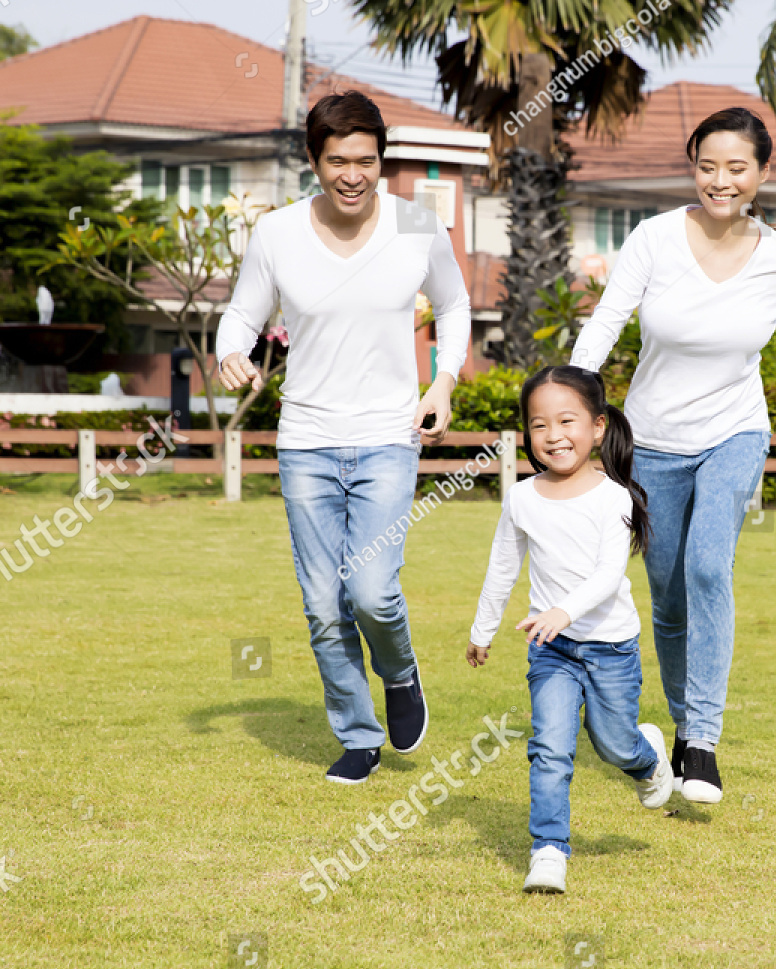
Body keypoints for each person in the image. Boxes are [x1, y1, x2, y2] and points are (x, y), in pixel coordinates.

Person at [568, 107, 776, 804]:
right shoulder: (653, 240)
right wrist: (571, 404)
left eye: (737, 167)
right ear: (693, 168)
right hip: (650, 441)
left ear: (763, 174)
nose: (721, 180)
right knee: (670, 597)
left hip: (735, 433)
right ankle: (682, 728)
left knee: (709, 566)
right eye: (708, 166)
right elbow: (605, 325)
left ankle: (703, 741)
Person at [216, 91, 471, 784]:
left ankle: (400, 670)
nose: (353, 175)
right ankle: (358, 736)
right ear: (313, 160)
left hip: (390, 435)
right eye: (338, 161)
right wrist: (229, 351)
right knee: (323, 604)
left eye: (366, 160)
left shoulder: (417, 226)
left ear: (381, 160)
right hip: (306, 440)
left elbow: (453, 305)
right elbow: (241, 314)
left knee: (371, 591)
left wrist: (443, 382)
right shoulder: (278, 233)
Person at [466, 367, 671, 894]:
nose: (553, 435)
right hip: (551, 650)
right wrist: (482, 629)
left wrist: (564, 610)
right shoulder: (522, 497)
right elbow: (502, 565)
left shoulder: (613, 497)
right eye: (539, 425)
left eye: (566, 420)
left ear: (598, 427)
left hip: (610, 649)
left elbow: (608, 575)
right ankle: (549, 850)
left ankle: (647, 757)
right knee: (550, 746)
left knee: (614, 746)